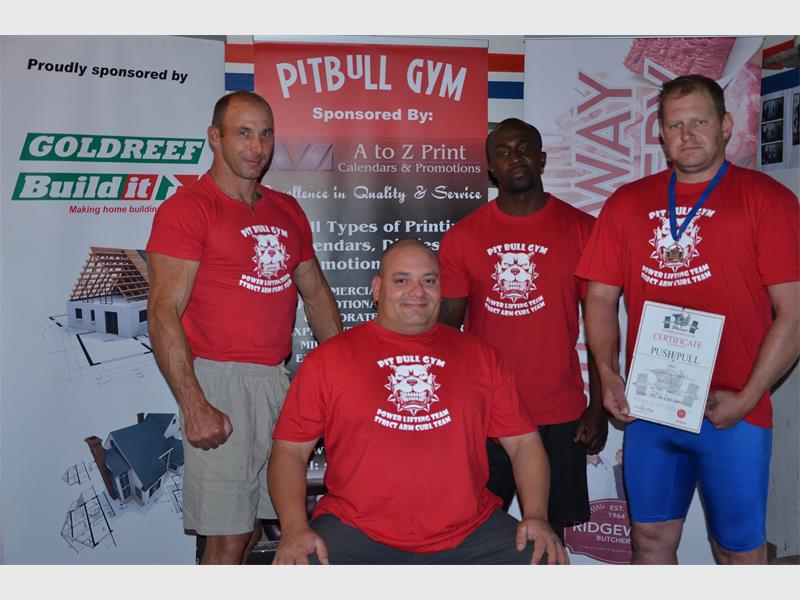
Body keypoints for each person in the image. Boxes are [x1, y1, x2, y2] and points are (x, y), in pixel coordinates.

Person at [576, 74, 799, 564]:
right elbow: (600, 297)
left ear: (726, 125)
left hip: (734, 412)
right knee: (649, 541)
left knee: (738, 553)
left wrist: (748, 396)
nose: (687, 134)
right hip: (654, 409)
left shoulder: (768, 200)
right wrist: (609, 374)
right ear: (660, 133)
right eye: (675, 125)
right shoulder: (626, 203)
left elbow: (794, 313)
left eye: (699, 121)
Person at [267, 239, 569, 565]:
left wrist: (535, 515)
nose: (417, 291)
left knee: (545, 560)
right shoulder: (329, 360)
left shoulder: (483, 358)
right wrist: (294, 528)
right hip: (354, 529)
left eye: (429, 280)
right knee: (299, 566)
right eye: (402, 280)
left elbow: (524, 443)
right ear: (377, 289)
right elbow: (290, 450)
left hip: (469, 532)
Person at [146, 91, 342, 564]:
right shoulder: (189, 208)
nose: (257, 147)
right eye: (244, 133)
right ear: (214, 138)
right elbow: (163, 311)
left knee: (256, 525)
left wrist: (349, 375)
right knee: (228, 536)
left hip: (276, 382)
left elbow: (316, 294)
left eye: (266, 134)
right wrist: (194, 404)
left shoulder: (287, 210)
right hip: (220, 380)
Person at [438, 118, 607, 539]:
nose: (515, 158)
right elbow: (445, 335)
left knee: (550, 536)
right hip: (487, 413)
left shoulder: (584, 230)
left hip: (560, 410)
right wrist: (446, 410)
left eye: (525, 149)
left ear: (542, 159)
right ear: (490, 168)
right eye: (503, 152)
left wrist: (599, 405)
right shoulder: (463, 237)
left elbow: (600, 325)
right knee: (473, 533)